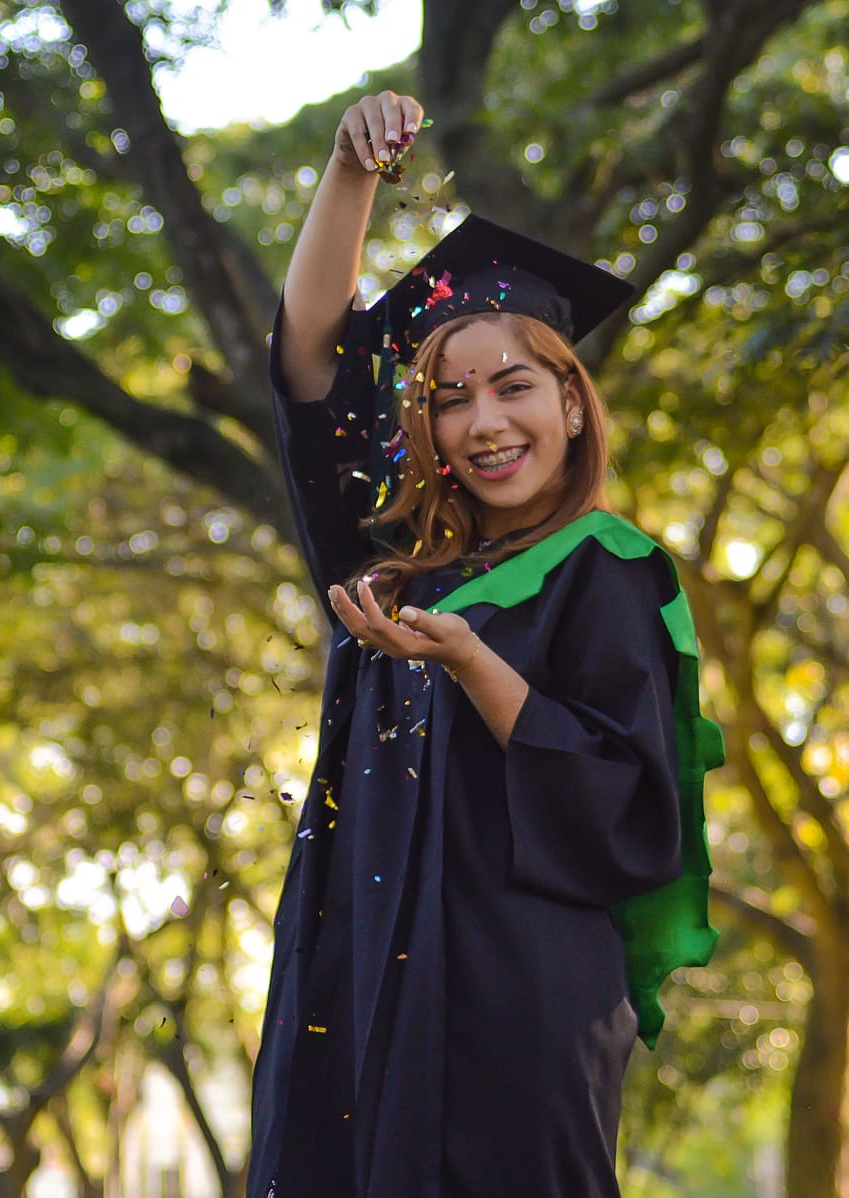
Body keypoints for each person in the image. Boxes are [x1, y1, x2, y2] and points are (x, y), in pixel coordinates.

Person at [248, 91, 724, 1198]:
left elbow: (627, 809)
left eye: (514, 386)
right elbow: (309, 361)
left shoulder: (608, 568)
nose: (484, 421)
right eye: (449, 399)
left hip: (520, 995)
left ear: (570, 398)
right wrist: (350, 171)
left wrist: (472, 661)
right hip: (360, 972)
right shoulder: (388, 561)